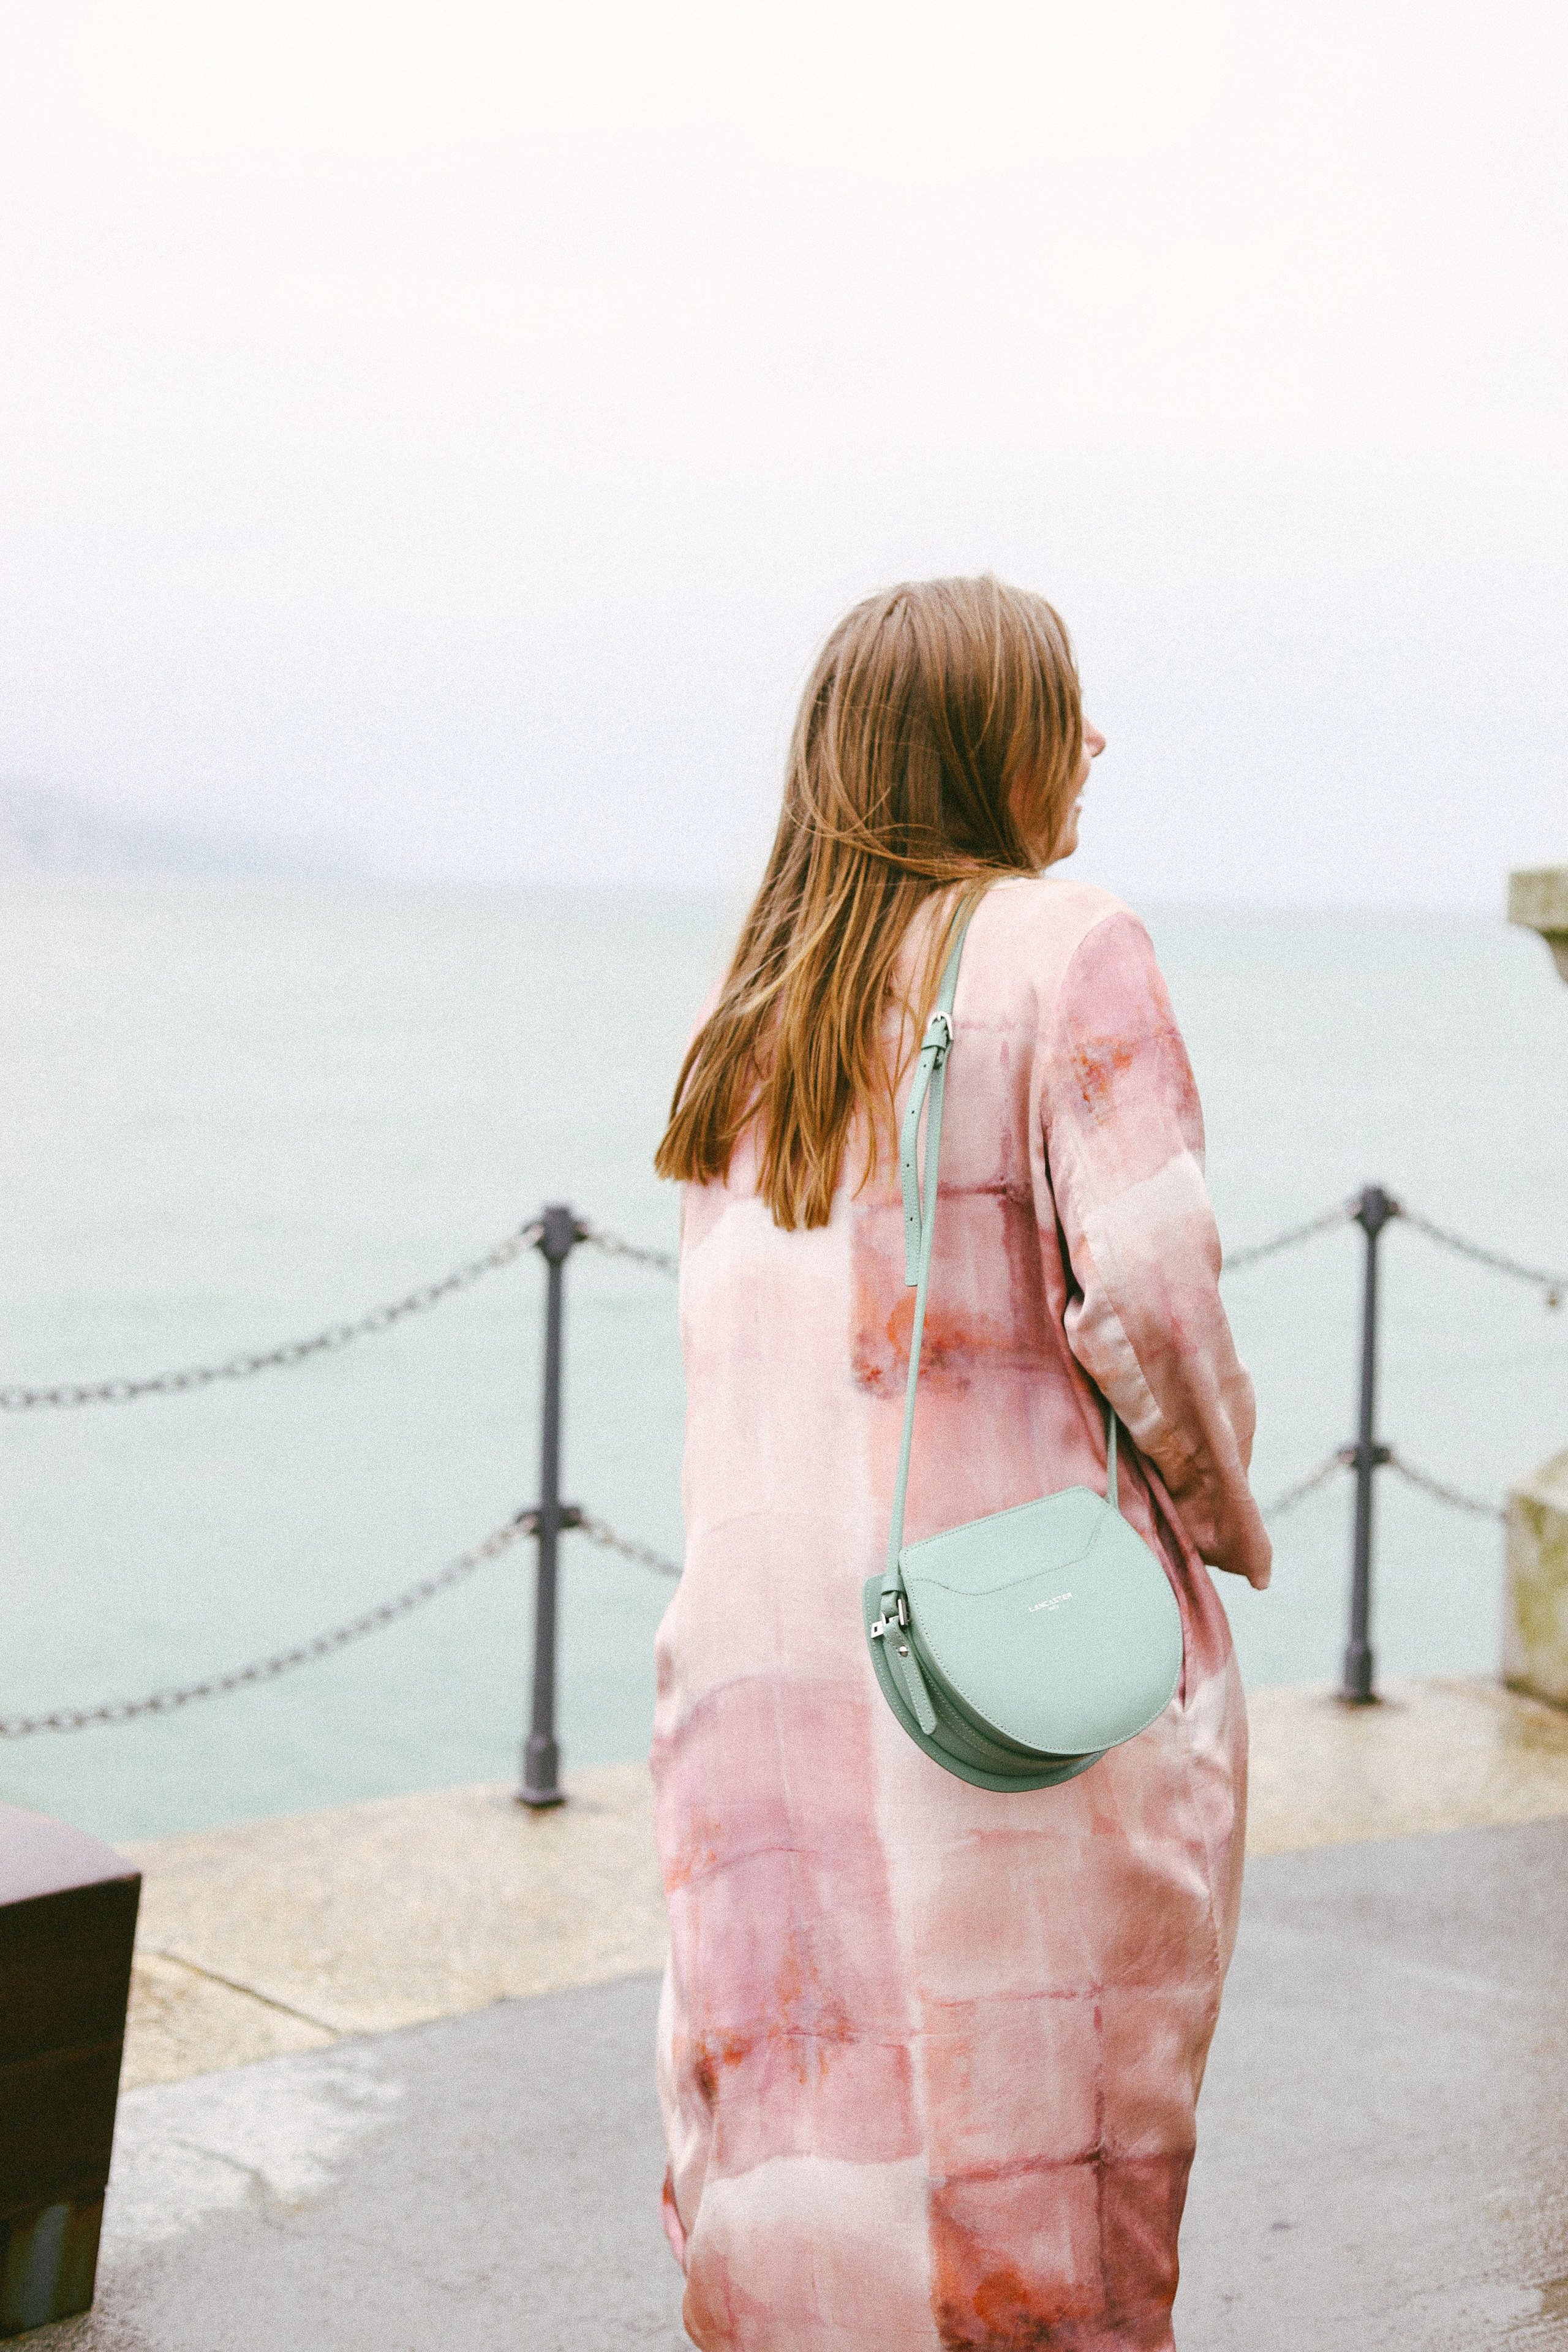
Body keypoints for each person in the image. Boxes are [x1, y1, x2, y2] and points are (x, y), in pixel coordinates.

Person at [651, 575, 1270, 2352]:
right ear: (986, 743)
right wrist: (1222, 1521)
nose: (1092, 743)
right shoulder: (1066, 947)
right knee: (1045, 2188)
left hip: (757, 1685)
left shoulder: (751, 998)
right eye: (1061, 707)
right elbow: (1153, 1296)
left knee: (804, 2182)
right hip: (1000, 1685)